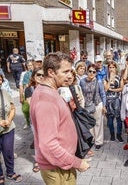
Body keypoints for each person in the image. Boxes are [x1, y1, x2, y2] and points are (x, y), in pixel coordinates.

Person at [30, 52, 90, 184]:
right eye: (66, 71)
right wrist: (77, 163)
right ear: (51, 72)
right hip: (56, 167)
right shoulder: (46, 99)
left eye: (71, 71)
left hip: (61, 163)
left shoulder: (50, 92)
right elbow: (48, 145)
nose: (70, 75)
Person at [0, 74, 22, 184]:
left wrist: (9, 119)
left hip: (8, 128)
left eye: (0, 80)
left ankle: (10, 172)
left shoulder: (5, 93)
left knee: (8, 152)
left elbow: (12, 108)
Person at [80, 64, 106, 151]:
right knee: (89, 124)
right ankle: (92, 139)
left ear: (96, 73)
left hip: (97, 104)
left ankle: (98, 142)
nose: (91, 73)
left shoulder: (98, 82)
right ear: (87, 71)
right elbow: (81, 94)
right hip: (87, 105)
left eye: (94, 72)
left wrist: (104, 106)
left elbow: (102, 94)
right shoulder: (82, 81)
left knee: (98, 123)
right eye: (90, 71)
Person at [24, 67, 44, 173]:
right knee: (38, 139)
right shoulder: (29, 89)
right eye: (38, 75)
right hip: (36, 119)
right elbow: (32, 105)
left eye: (43, 75)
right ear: (33, 77)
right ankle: (37, 161)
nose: (41, 77)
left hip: (47, 119)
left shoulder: (48, 88)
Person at [104, 61, 124, 142]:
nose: (111, 69)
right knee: (110, 120)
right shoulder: (105, 78)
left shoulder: (119, 78)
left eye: (113, 67)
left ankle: (119, 135)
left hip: (116, 100)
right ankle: (112, 134)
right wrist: (110, 80)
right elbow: (105, 88)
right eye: (110, 67)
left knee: (118, 119)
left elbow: (121, 88)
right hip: (108, 100)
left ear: (116, 68)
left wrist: (112, 89)